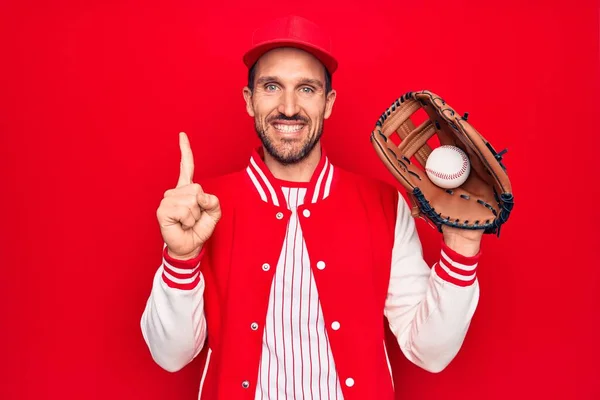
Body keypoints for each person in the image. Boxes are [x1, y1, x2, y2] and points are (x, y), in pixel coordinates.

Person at [140, 15, 483, 400]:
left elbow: (430, 352)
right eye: (271, 87)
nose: (289, 107)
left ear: (329, 102)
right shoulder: (202, 208)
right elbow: (170, 356)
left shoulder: (384, 204)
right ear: (249, 101)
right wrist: (180, 258)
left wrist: (461, 245)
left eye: (306, 88)